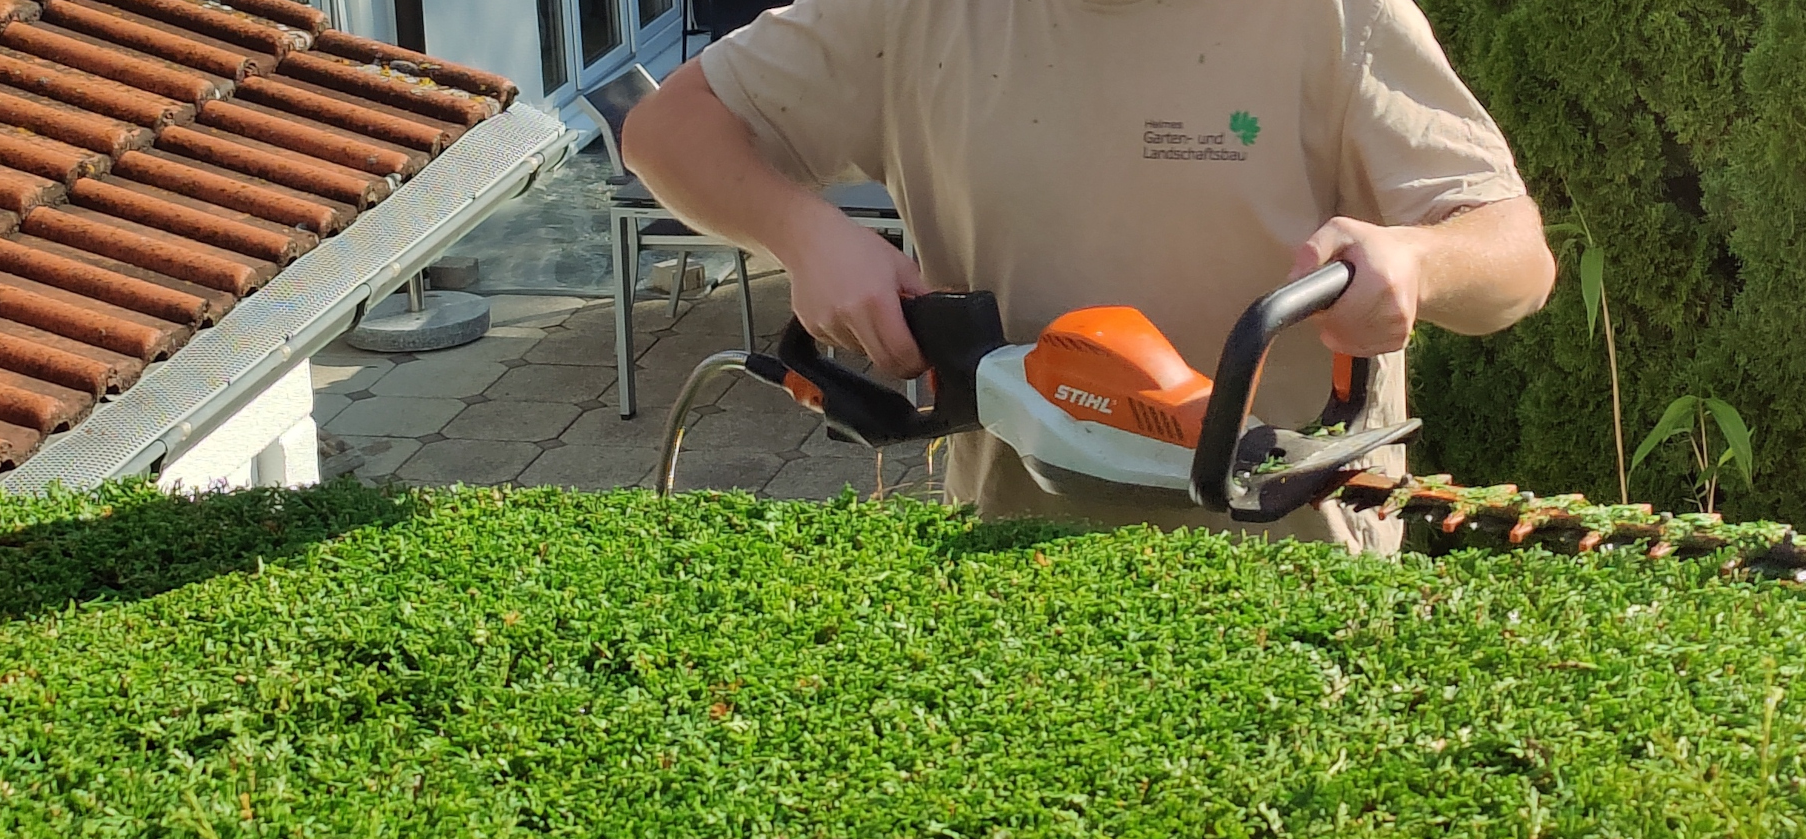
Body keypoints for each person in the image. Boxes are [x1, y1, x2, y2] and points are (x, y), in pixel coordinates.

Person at [622, 0, 1555, 555]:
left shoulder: (1332, 15)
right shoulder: (911, 16)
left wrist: (1418, 263)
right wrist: (805, 234)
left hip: (1292, 564)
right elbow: (668, 130)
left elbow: (1515, 254)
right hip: (1014, 552)